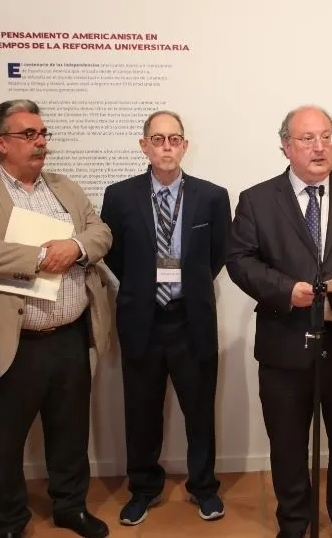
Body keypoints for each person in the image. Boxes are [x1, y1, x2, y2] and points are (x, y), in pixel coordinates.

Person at [0, 99, 112, 538]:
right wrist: (40, 256)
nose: (41, 143)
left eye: (42, 134)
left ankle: (70, 507)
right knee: (4, 439)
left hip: (70, 337)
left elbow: (100, 231)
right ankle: (9, 519)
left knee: (70, 433)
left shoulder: (65, 188)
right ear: (1, 143)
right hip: (11, 339)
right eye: (29, 135)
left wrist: (75, 248)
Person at [226, 105, 332, 538]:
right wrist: (285, 289)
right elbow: (239, 261)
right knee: (287, 444)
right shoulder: (257, 199)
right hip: (285, 343)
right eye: (307, 139)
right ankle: (294, 523)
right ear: (286, 146)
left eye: (326, 136)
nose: (319, 146)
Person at [100, 110, 230, 526]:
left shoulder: (212, 196)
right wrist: (144, 286)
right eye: (158, 139)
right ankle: (143, 488)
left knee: (200, 409)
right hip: (142, 319)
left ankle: (204, 487)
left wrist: (184, 285)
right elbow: (115, 254)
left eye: (174, 139)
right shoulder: (119, 196)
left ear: (185, 145)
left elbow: (217, 256)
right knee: (140, 411)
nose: (167, 147)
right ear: (144, 146)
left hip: (190, 320)